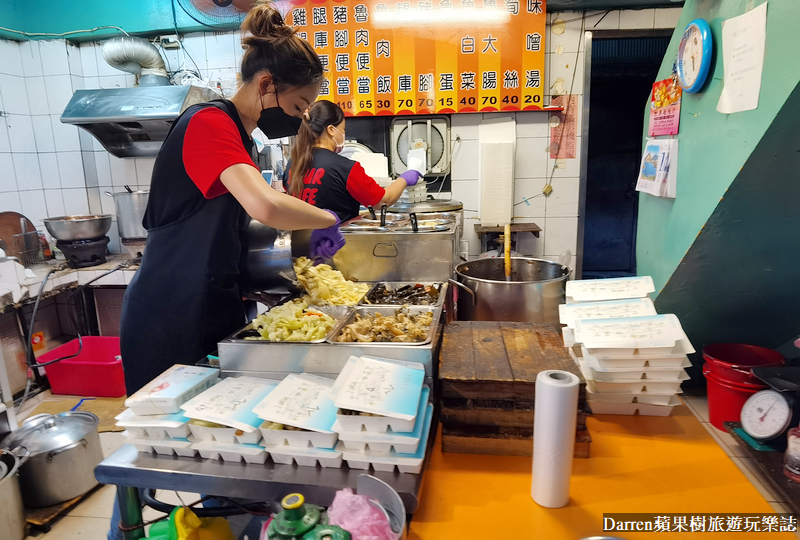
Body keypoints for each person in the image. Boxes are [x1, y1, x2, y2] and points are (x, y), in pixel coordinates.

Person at [110, 5, 342, 538]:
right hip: (169, 311)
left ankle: (227, 525)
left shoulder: (242, 138)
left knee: (224, 455)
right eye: (301, 104)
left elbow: (257, 218)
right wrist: (328, 216)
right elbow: (265, 206)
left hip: (209, 303)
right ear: (267, 85)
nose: (304, 117)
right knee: (151, 464)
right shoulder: (209, 124)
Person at [288, 101, 422, 222]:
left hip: (301, 244)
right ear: (331, 130)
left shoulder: (292, 164)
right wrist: (404, 179)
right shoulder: (344, 167)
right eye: (343, 129)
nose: (343, 133)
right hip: (336, 244)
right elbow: (382, 201)